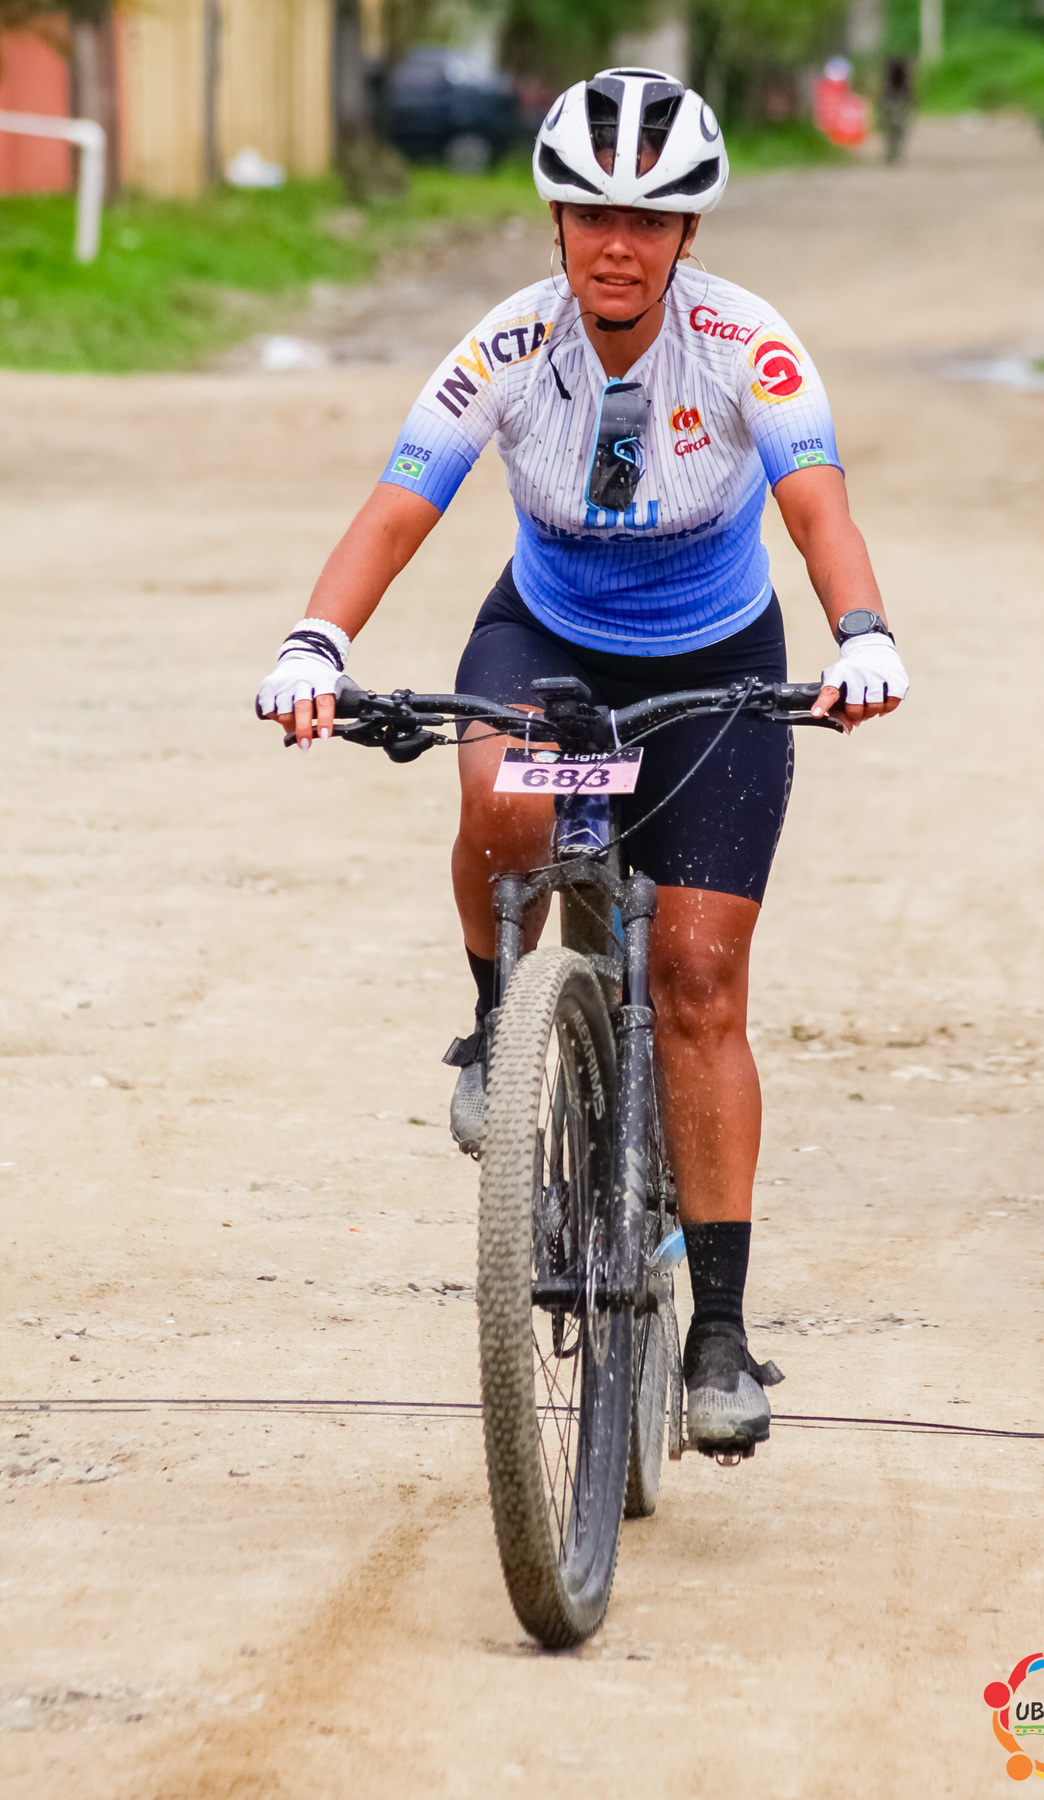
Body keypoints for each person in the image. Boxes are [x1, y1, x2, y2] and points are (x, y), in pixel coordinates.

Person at [256, 68, 908, 1456]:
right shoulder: (507, 346)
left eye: (650, 221)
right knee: (497, 794)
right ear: (555, 220)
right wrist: (316, 641)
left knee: (699, 979)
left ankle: (718, 1333)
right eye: (593, 215)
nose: (619, 245)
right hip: (546, 641)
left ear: (688, 235)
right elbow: (399, 505)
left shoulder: (745, 343)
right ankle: (502, 1021)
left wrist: (861, 632)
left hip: (717, 663)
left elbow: (817, 504)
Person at [879, 56, 914, 166]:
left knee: (892, 131)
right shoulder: (904, 74)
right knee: (897, 130)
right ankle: (894, 153)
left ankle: (892, 153)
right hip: (898, 102)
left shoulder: (889, 73)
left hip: (891, 101)